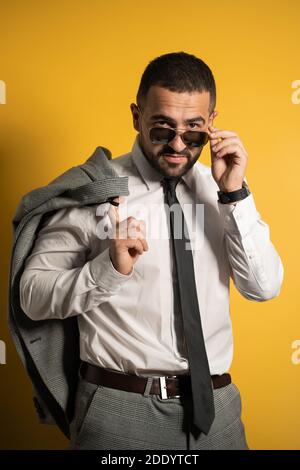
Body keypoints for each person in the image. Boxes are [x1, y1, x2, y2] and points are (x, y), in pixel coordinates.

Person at [19, 51, 284, 450]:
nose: (178, 145)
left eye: (193, 131)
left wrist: (235, 194)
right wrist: (106, 268)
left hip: (218, 412)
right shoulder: (95, 190)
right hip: (120, 412)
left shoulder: (225, 190)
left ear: (212, 123)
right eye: (162, 129)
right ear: (136, 116)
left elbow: (263, 288)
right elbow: (32, 297)